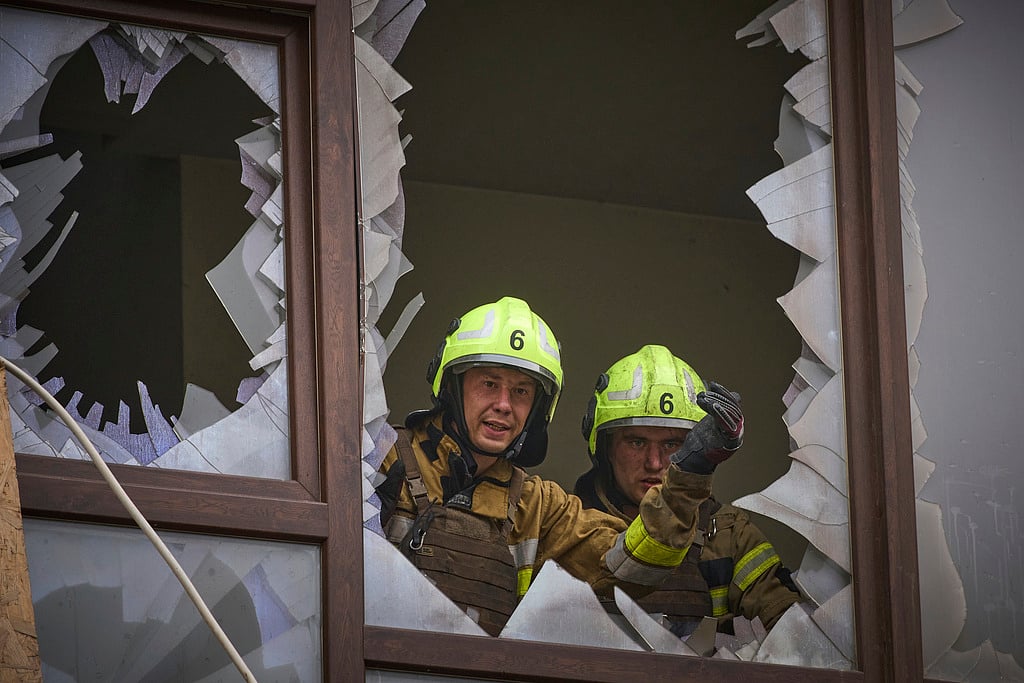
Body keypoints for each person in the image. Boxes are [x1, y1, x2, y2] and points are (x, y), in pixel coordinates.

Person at [374, 297, 745, 636]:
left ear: (538, 408)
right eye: (489, 383)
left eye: (521, 391)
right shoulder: (382, 457)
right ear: (452, 386)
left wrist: (689, 473)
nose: (504, 404)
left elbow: (633, 566)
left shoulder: (539, 507)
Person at [575, 344, 802, 637]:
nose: (655, 462)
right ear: (604, 447)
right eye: (636, 442)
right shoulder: (567, 525)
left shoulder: (730, 536)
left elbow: (793, 640)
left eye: (672, 444)